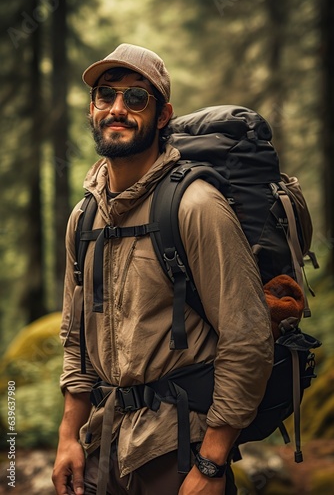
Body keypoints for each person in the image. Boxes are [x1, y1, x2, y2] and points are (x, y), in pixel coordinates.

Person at [52, 43, 273, 495]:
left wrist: (211, 464)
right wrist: (67, 438)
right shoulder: (85, 218)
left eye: (136, 98)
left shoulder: (195, 206)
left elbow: (247, 338)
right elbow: (75, 337)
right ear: (93, 109)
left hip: (177, 451)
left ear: (163, 114)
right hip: (103, 442)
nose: (118, 108)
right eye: (106, 95)